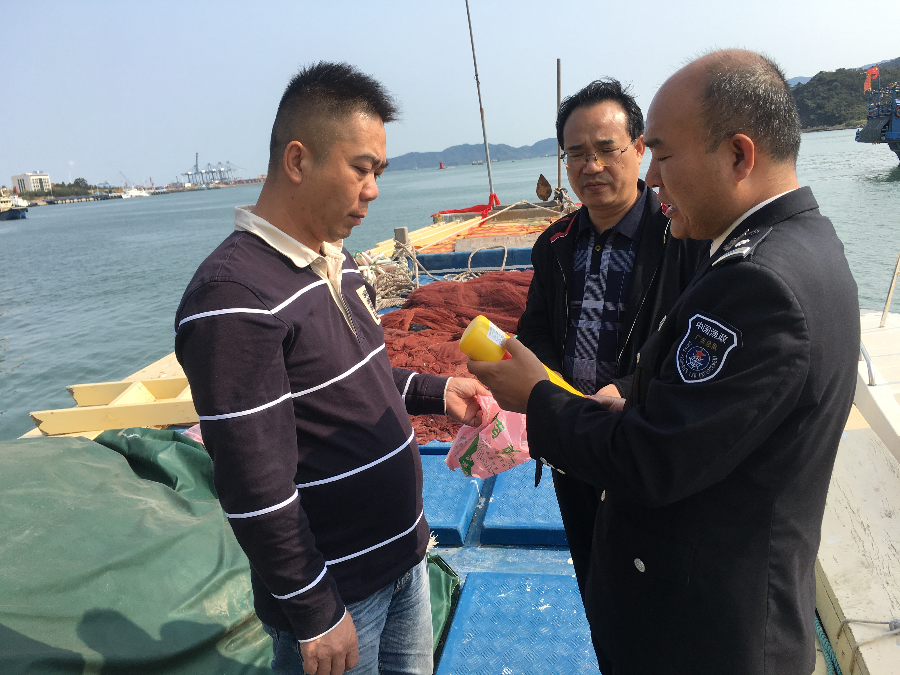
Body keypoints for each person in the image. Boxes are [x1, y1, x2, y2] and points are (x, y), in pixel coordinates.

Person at [468, 49, 860, 674]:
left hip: (705, 625)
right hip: (641, 519)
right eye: (575, 153)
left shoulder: (750, 277)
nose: (653, 177)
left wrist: (540, 397)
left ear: (738, 155)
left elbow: (653, 457)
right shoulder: (801, 246)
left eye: (662, 154)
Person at [174, 62, 487, 675]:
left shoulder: (337, 263)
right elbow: (253, 482)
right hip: (342, 595)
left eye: (379, 172)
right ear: (297, 160)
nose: (373, 190)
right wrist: (313, 608)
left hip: (405, 559)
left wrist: (438, 390)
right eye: (361, 168)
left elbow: (360, 377)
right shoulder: (232, 298)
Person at [515, 79, 706, 603]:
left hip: (643, 439)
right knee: (593, 575)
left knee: (655, 587)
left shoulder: (681, 235)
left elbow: (691, 339)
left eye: (606, 149)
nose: (591, 166)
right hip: (571, 439)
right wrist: (554, 395)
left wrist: (624, 388)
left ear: (640, 149)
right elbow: (535, 330)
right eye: (576, 154)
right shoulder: (554, 243)